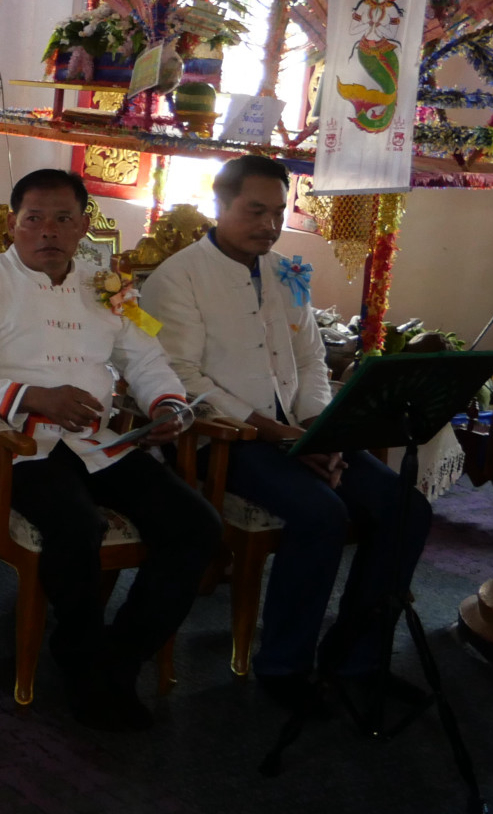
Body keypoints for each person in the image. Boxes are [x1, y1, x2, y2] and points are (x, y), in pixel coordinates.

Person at [141, 155, 430, 712]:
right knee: (322, 514)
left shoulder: (286, 273)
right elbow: (181, 376)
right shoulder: (178, 278)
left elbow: (311, 360)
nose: (269, 226)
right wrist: (271, 432)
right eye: (255, 211)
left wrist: (322, 429)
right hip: (222, 440)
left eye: (277, 213)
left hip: (298, 434)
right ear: (220, 206)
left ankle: (357, 657)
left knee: (406, 509)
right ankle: (285, 665)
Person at [0, 169, 221, 729]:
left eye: (63, 219)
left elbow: (145, 356)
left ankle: (119, 656)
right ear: (13, 226)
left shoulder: (107, 285)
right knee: (76, 526)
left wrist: (166, 404)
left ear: (84, 225)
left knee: (196, 525)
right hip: (12, 442)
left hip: (96, 439)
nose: (48, 231)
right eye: (33, 219)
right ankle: (82, 661)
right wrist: (35, 395)